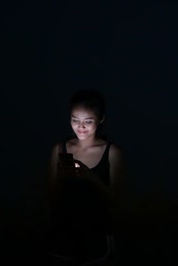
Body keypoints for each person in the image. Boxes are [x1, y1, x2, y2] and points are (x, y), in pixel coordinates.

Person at [45, 89, 125, 265]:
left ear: (100, 119)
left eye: (88, 122)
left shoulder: (112, 153)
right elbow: (49, 197)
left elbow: (117, 200)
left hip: (97, 238)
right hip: (61, 235)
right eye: (75, 120)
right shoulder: (59, 150)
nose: (80, 127)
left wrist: (91, 177)